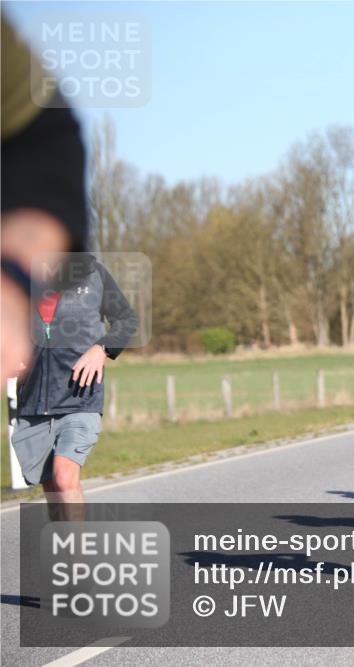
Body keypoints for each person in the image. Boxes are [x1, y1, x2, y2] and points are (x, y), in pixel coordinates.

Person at [11, 254, 138, 520]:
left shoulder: (93, 274)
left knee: (65, 476)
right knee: (53, 491)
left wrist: (101, 349)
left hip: (79, 397)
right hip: (34, 402)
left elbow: (127, 319)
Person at [2, 18, 89, 382]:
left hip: (73, 396)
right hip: (32, 406)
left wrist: (13, 279)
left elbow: (45, 137)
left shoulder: (93, 278)